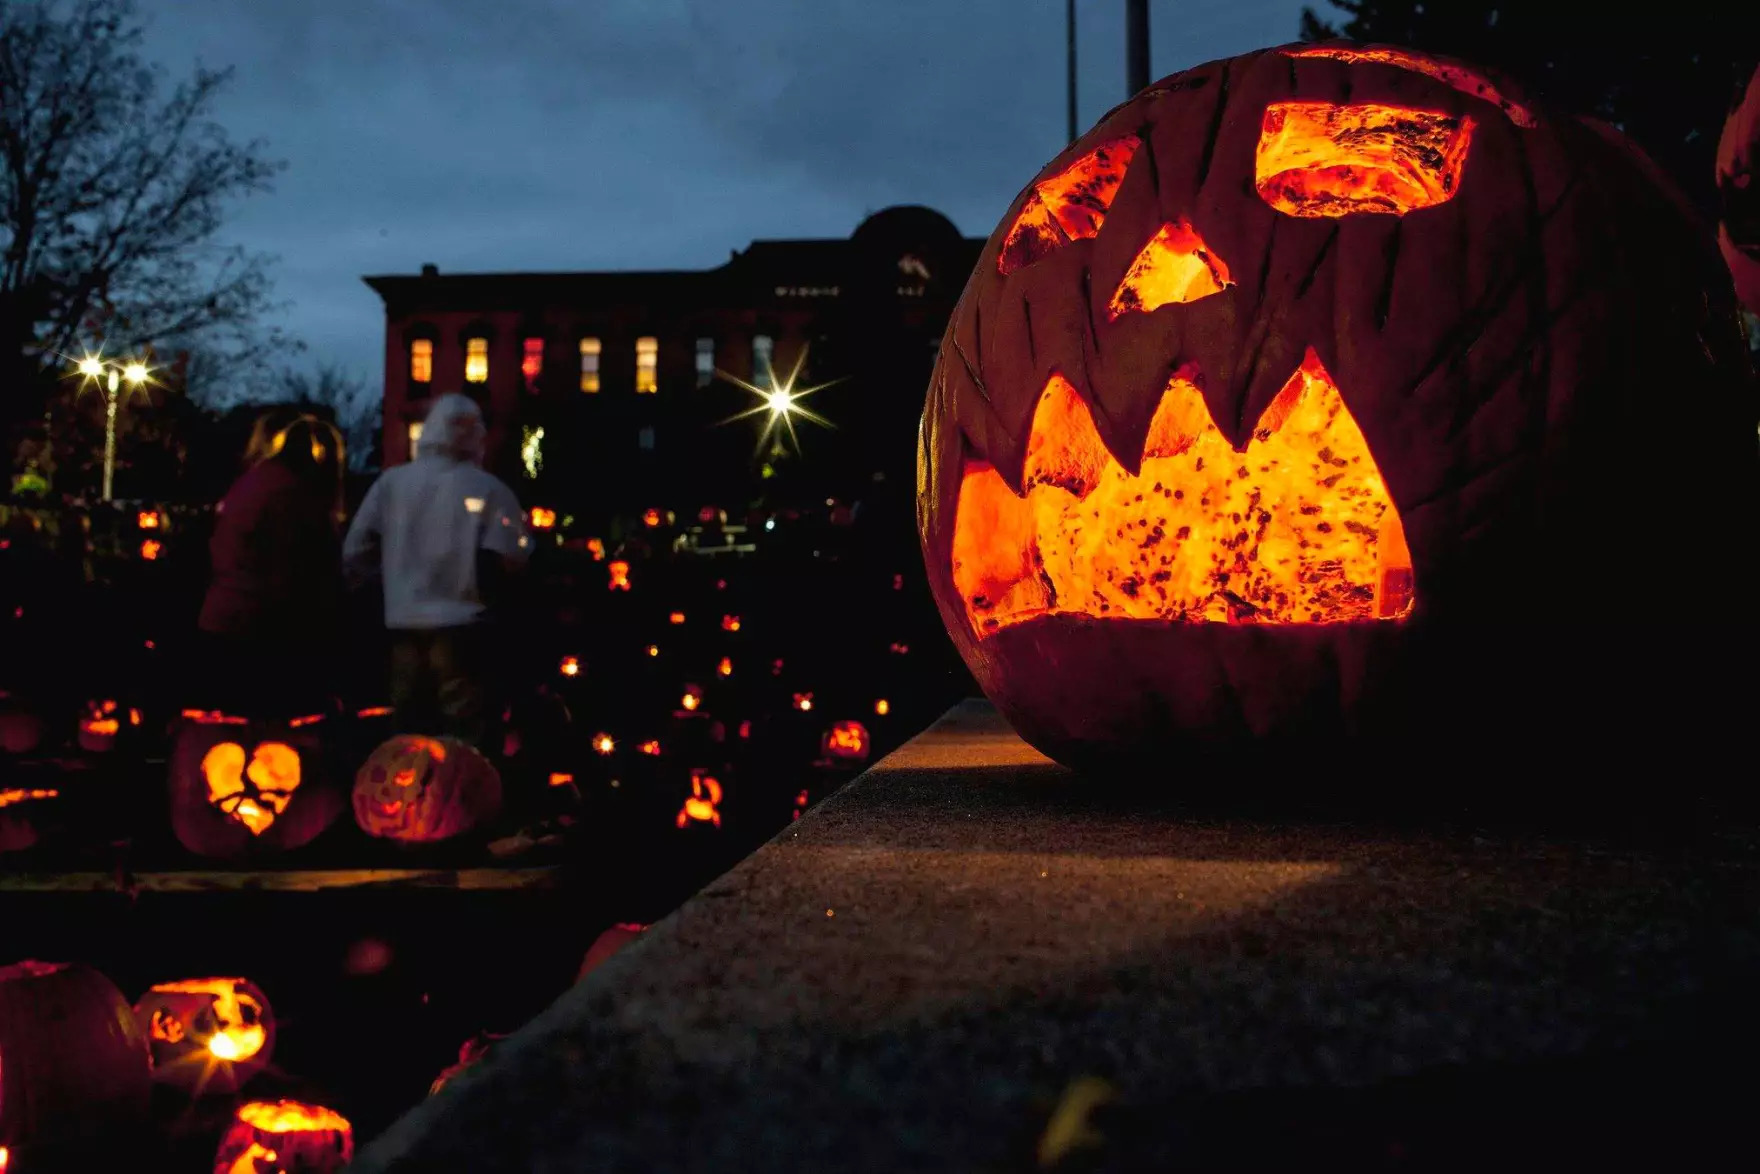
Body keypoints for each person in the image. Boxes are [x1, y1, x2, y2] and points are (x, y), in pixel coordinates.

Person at [343, 394, 529, 747]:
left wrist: (378, 588)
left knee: (407, 738)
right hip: (465, 631)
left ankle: (405, 799)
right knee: (465, 738)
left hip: (402, 627)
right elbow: (511, 559)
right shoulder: (490, 490)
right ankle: (462, 799)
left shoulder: (391, 484)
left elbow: (356, 552)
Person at [197, 411, 347, 717]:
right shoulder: (294, 496)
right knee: (272, 727)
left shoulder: (255, 483)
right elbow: (304, 566)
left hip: (226, 614)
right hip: (263, 624)